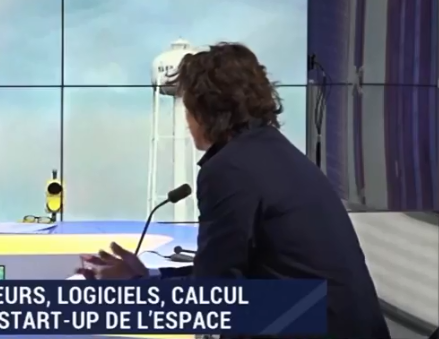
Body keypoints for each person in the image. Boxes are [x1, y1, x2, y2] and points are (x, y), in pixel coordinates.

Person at [79, 43, 390, 338]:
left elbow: (211, 297)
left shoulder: (229, 170)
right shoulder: (274, 151)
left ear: (204, 111)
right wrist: (149, 277)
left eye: (188, 108)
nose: (187, 122)